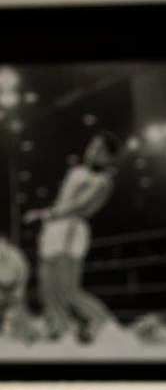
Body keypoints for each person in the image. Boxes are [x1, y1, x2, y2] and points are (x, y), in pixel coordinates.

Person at [22, 131, 122, 344]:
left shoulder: (103, 181)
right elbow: (64, 200)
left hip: (71, 229)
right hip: (54, 227)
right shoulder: (76, 171)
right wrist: (50, 217)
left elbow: (81, 207)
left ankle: (107, 325)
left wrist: (46, 214)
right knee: (46, 289)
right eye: (92, 146)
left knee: (68, 291)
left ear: (109, 157)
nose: (92, 151)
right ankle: (62, 330)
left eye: (99, 149)